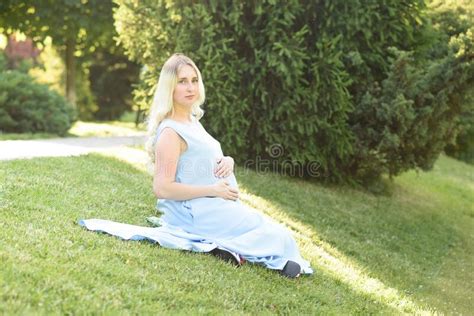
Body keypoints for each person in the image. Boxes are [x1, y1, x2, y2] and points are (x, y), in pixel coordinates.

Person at [79, 53, 313, 278]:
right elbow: (162, 188)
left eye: (194, 80)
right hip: (197, 212)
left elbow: (203, 158)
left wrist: (228, 161)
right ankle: (242, 251)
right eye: (182, 82)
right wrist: (213, 190)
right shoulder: (171, 132)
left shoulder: (192, 120)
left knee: (274, 232)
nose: (191, 87)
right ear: (170, 87)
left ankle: (235, 250)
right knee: (279, 237)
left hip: (216, 206)